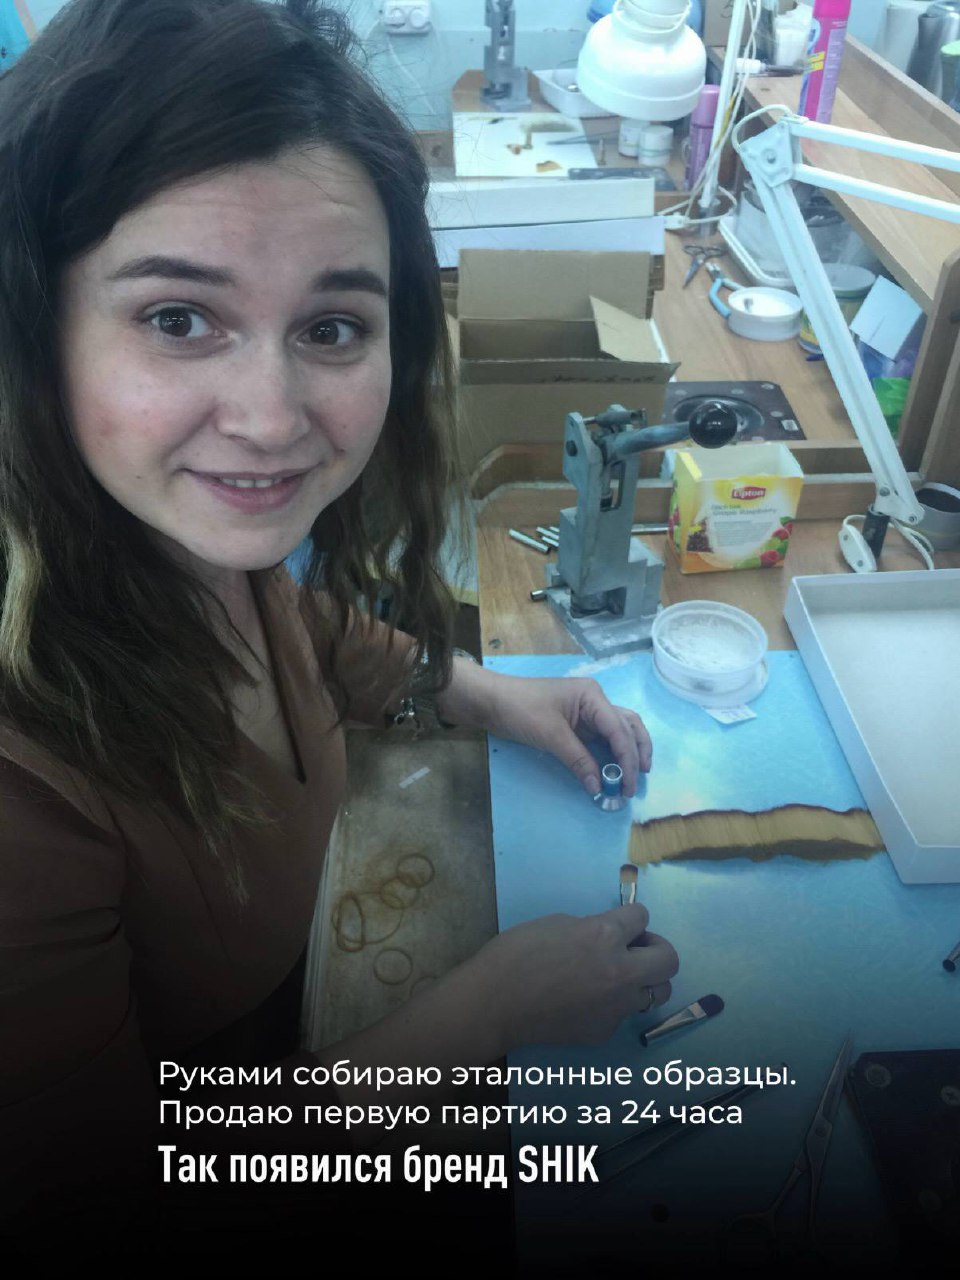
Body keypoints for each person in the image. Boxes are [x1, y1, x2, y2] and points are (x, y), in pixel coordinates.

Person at [0, 0, 679, 1265]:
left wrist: (485, 690)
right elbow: (112, 1202)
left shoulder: (192, 549)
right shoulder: (23, 784)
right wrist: (490, 1010)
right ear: (35, 333)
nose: (271, 419)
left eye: (330, 327)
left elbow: (298, 628)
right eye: (178, 316)